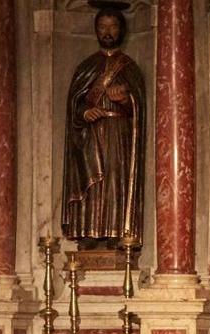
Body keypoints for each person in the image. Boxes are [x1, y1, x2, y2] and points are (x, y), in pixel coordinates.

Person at [61, 7, 146, 249]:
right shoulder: (86, 67)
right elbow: (74, 107)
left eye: (113, 26)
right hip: (91, 135)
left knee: (115, 179)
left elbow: (139, 107)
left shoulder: (129, 68)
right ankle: (88, 230)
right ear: (96, 30)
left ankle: (116, 230)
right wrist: (86, 113)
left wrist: (125, 100)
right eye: (102, 27)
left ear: (122, 30)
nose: (107, 32)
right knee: (92, 180)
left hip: (119, 134)